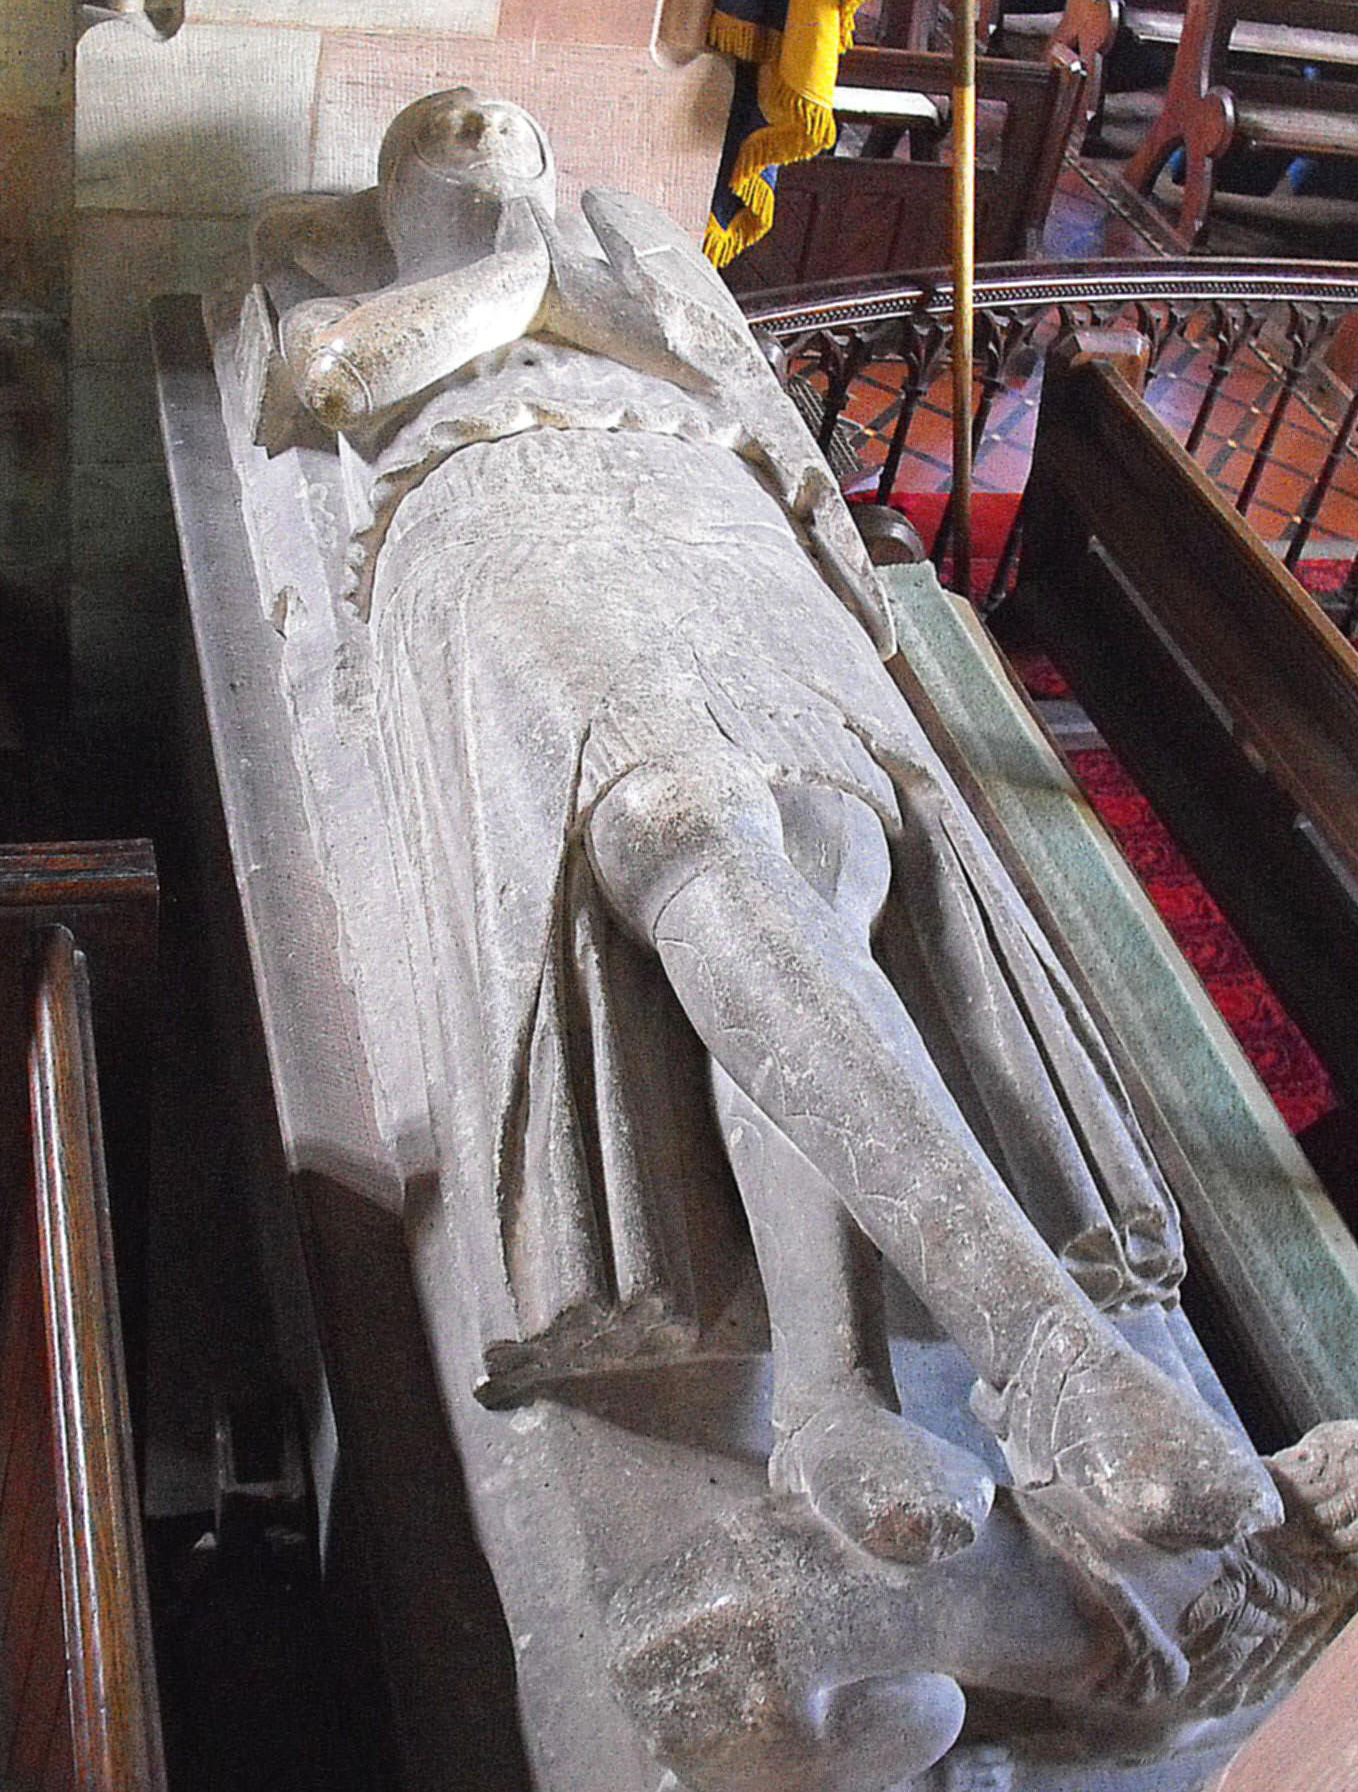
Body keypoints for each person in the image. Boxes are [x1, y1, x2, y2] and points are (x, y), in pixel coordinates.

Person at [250, 88, 1280, 1567]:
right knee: (676, 822)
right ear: (384, 200)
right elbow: (349, 375)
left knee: (825, 853)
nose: (478, 119)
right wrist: (524, 269)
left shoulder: (631, 245)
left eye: (510, 124)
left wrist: (559, 277)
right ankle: (1043, 1349)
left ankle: (836, 1398)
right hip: (494, 512)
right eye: (436, 130)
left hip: (701, 518)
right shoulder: (330, 272)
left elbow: (719, 374)